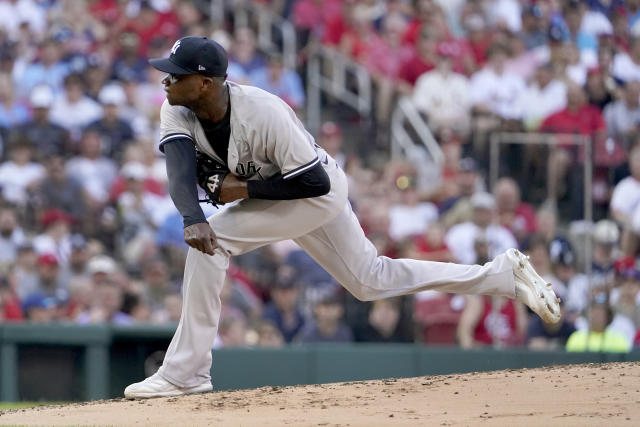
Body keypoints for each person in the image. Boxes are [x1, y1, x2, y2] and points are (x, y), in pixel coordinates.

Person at [124, 36, 561, 399]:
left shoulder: (264, 111)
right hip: (288, 195)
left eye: (175, 74)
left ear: (203, 82)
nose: (165, 80)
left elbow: (313, 184)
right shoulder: (176, 108)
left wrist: (241, 190)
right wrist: (190, 215)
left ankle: (187, 374)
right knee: (372, 280)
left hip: (318, 191)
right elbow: (180, 170)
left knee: (212, 243)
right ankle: (501, 276)